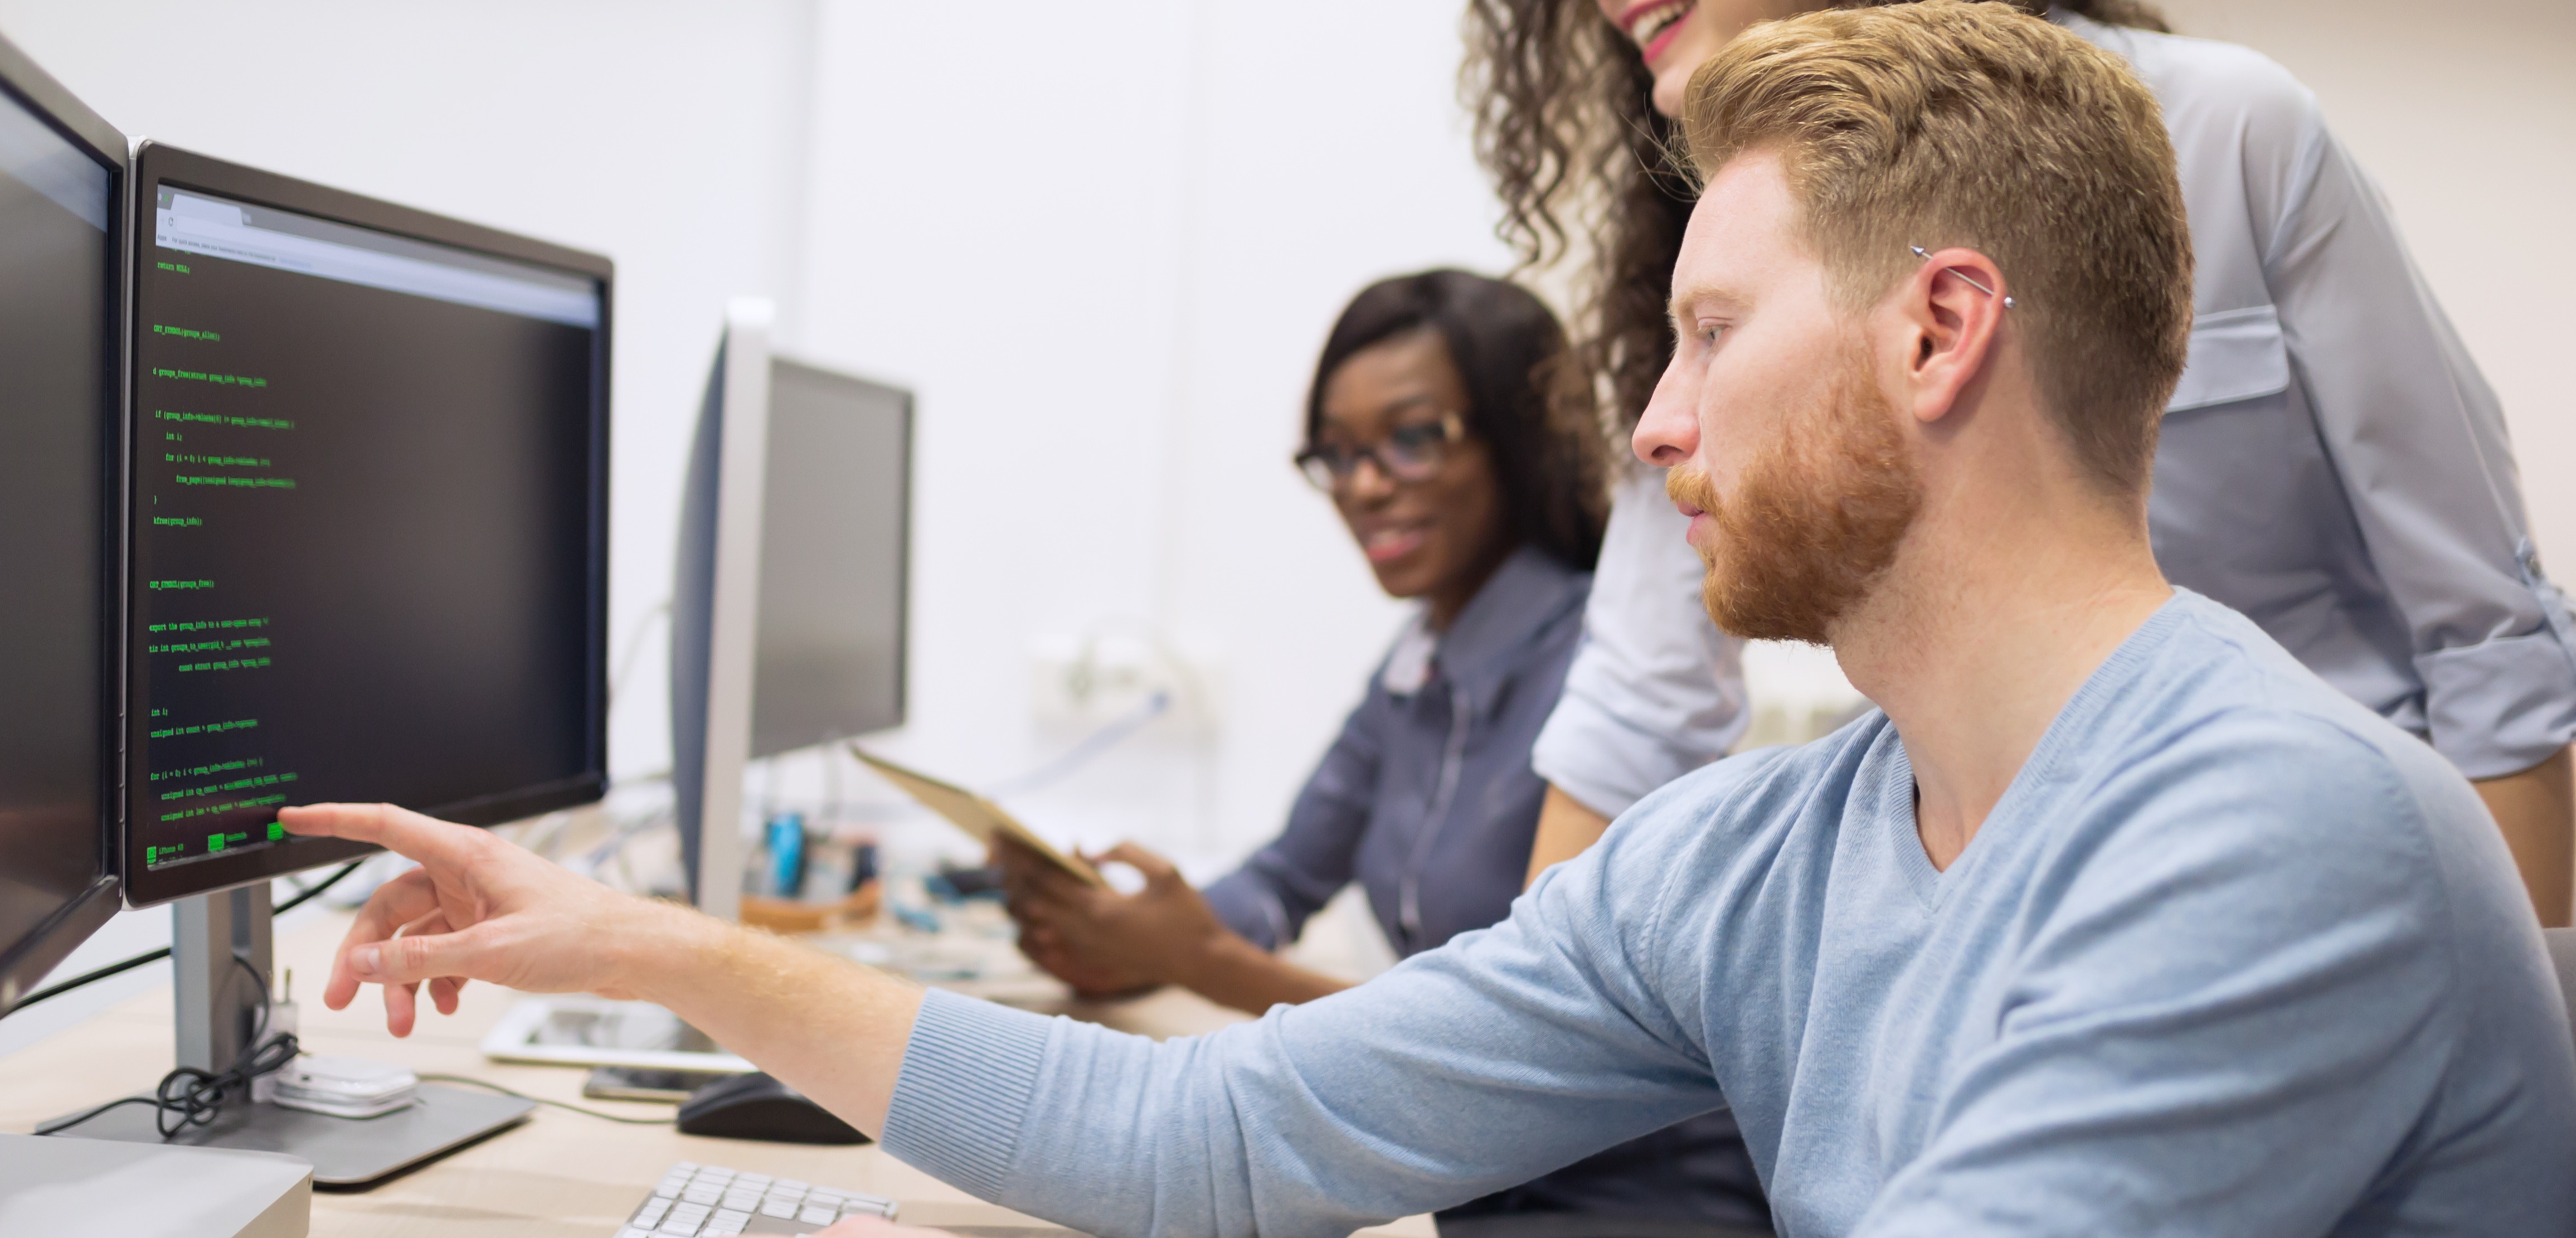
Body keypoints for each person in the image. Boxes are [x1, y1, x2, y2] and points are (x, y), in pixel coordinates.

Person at [279, 8, 2575, 1234]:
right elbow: (1225, 1139)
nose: (1654, 431)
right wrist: (645, 948)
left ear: (1936, 331)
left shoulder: (2279, 836)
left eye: (1704, 332)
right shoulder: (1757, 852)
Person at [1471, 0, 2576, 925]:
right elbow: (1635, 703)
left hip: (2340, 890)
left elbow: (2485, 638)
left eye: (1713, 336)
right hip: (2019, 920)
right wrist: (1523, 1029)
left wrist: (2509, 1040)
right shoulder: (1727, 235)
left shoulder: (2231, 129)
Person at [994, 270, 1771, 1234]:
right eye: (1338, 452)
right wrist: (1114, 936)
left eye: (1411, 438)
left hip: (1630, 1205)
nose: (1364, 485)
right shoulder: (1418, 665)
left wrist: (1197, 958)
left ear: (1516, 444)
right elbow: (1282, 880)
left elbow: (1500, 1040)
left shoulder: (1615, 692)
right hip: (1476, 1190)